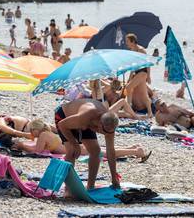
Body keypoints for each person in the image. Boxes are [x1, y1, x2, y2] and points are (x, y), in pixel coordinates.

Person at [55, 99, 120, 191]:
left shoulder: (109, 125)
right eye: (104, 132)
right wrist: (75, 144)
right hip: (65, 117)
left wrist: (114, 177)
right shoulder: (85, 116)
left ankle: (90, 186)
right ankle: (68, 188)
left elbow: (111, 152)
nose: (107, 134)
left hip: (87, 122)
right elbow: (62, 125)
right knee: (72, 151)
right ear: (100, 125)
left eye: (110, 132)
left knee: (95, 151)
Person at [17, 119, 150, 162]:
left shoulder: (42, 136)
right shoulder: (47, 133)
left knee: (106, 153)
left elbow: (38, 151)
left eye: (31, 130)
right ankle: (133, 147)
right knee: (103, 151)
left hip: (77, 149)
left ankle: (136, 151)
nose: (30, 133)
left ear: (36, 130)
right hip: (77, 147)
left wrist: (22, 145)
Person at [125, 34, 153, 117]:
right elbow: (133, 67)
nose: (126, 43)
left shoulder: (141, 50)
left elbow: (148, 63)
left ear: (133, 41)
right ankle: (150, 112)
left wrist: (149, 76)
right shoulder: (132, 51)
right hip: (137, 73)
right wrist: (129, 78)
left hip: (143, 73)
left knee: (128, 87)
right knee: (143, 94)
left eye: (127, 41)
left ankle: (128, 107)